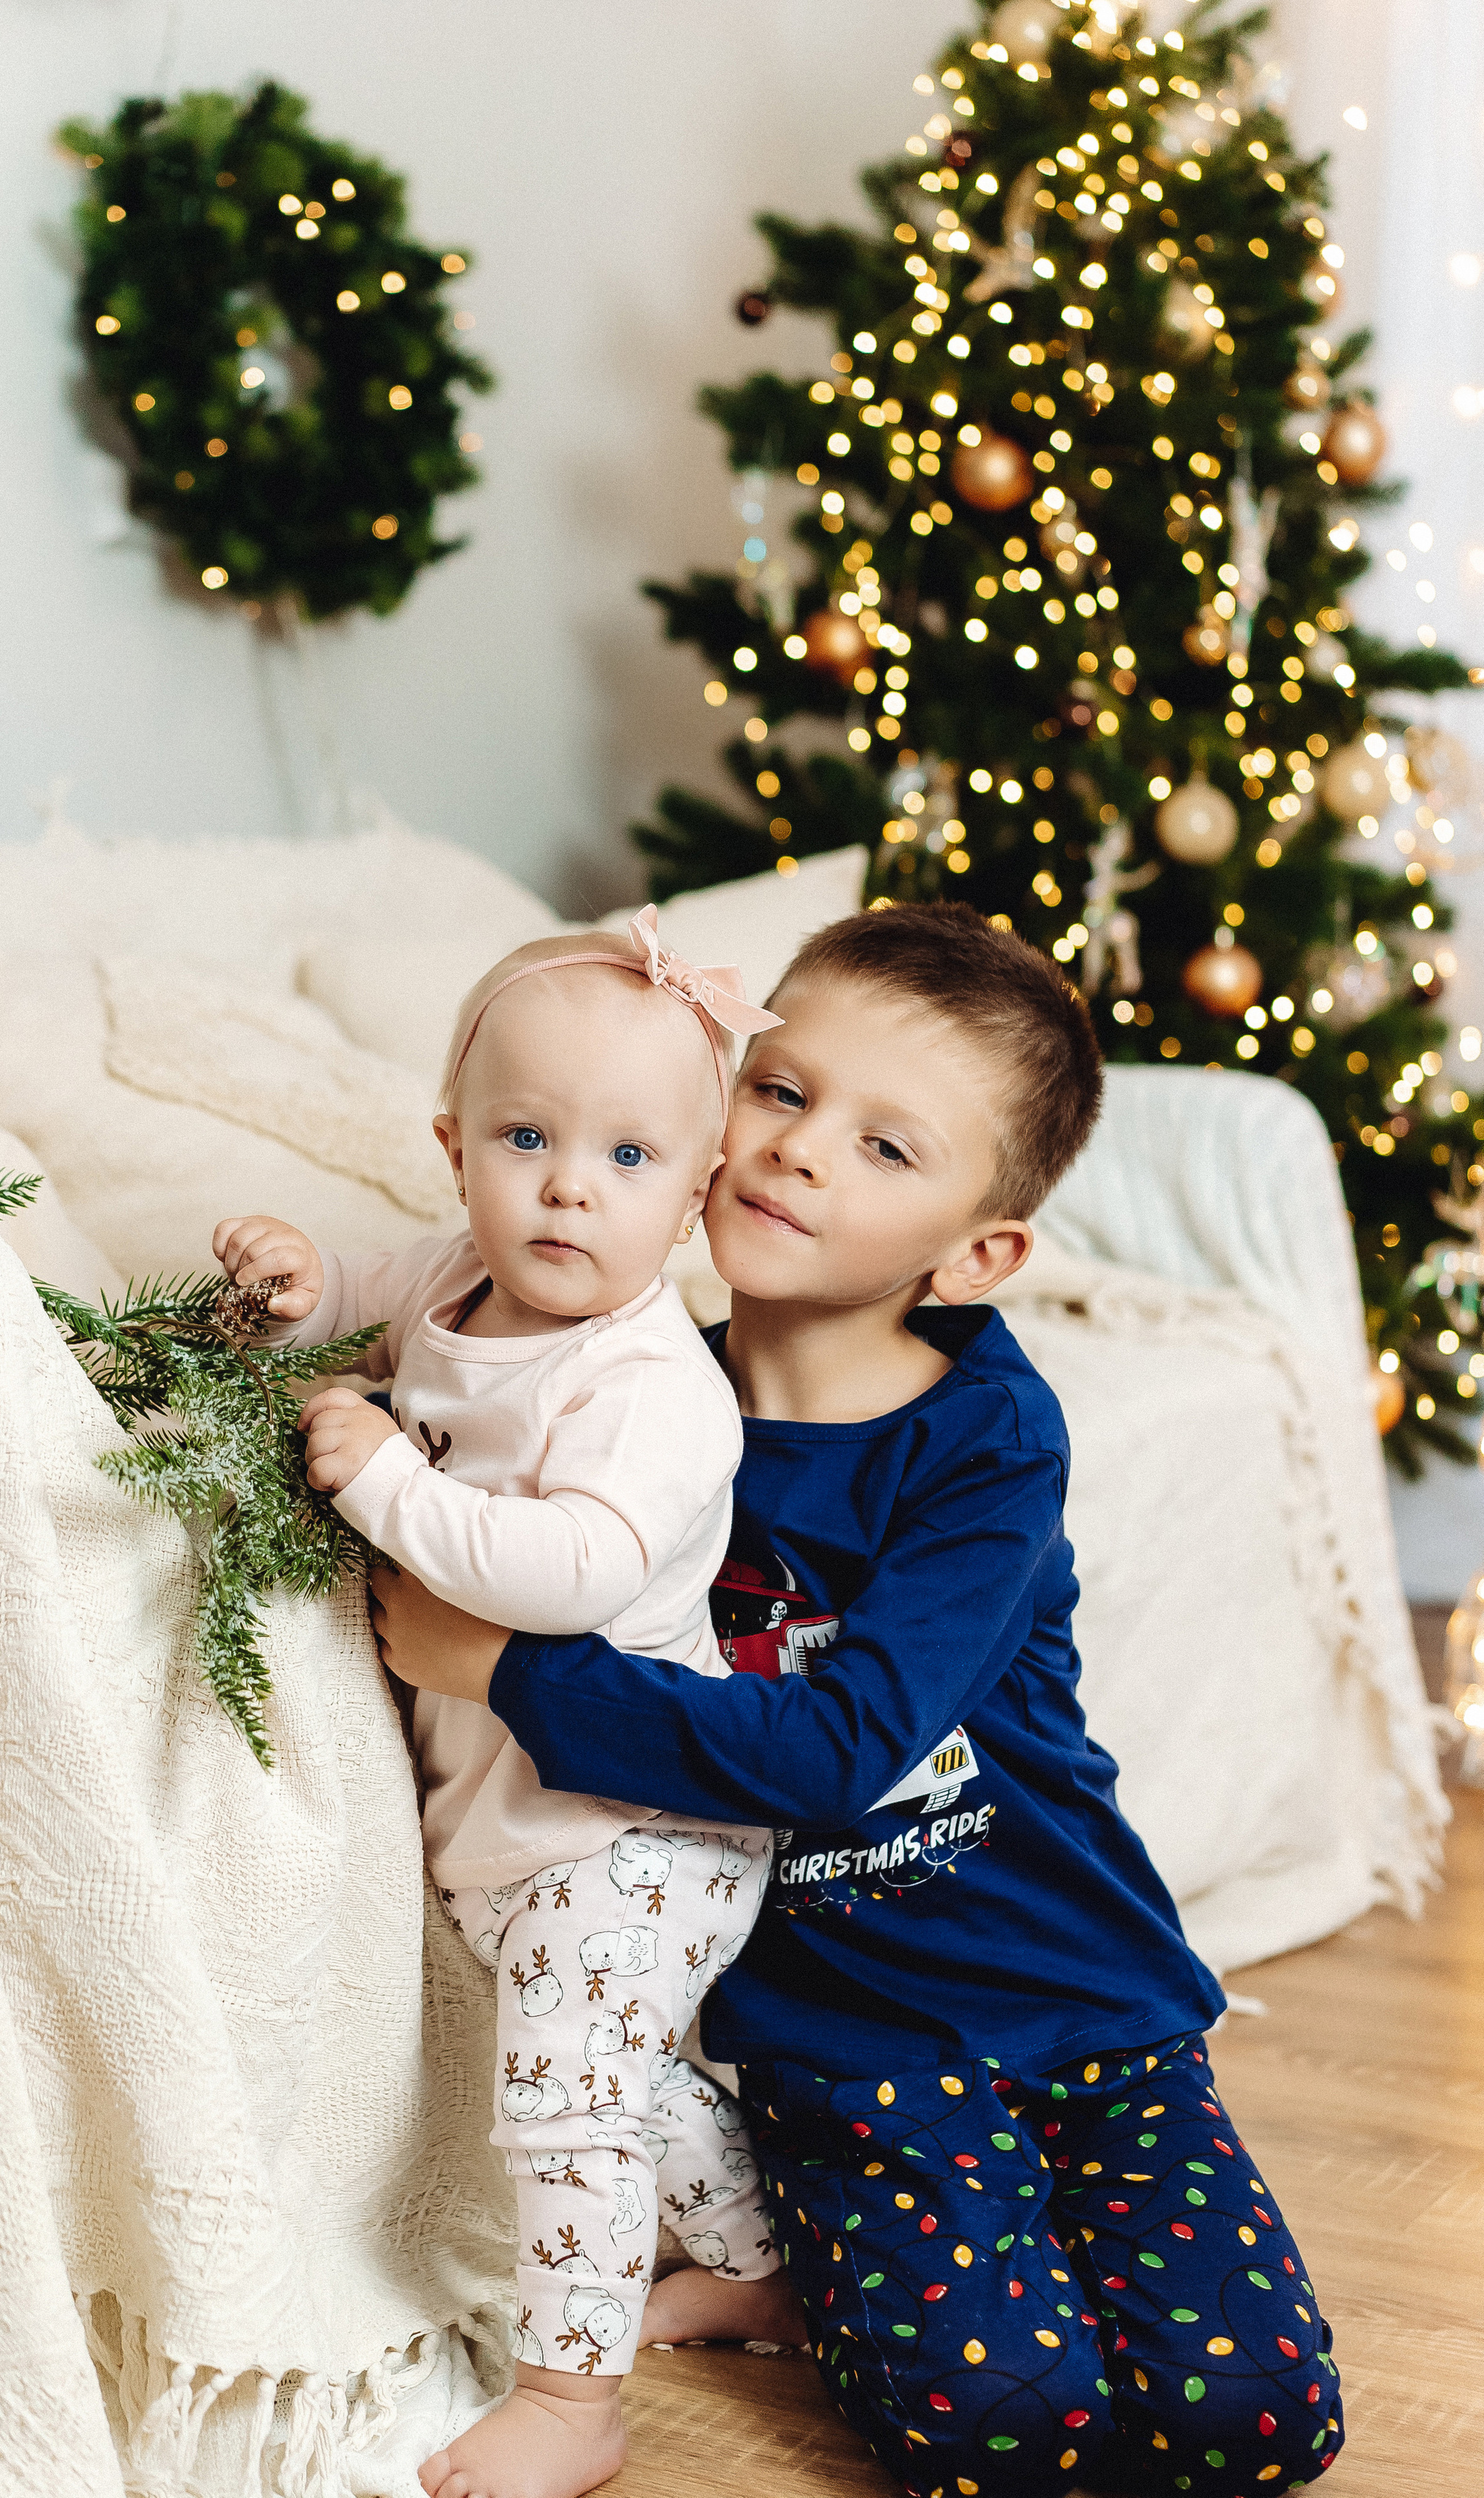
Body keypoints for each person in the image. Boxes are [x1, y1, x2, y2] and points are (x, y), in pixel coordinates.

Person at [374, 902, 1345, 2498]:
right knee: (1004, 2430)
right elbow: (442, 1378)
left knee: (1248, 2414)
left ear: (975, 1254)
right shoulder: (627, 1395)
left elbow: (834, 1754)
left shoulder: (987, 1441)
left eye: (884, 1148)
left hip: (1077, 1989)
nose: (798, 1152)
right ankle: (799, 2272)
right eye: (778, 1092)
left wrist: (503, 1668)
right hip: (848, 2045)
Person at [212, 910, 805, 2498]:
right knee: (622, 2084)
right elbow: (363, 1293)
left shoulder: (650, 1390)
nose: (567, 1188)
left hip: (638, 1824)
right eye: (526, 1138)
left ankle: (568, 2400)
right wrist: (301, 1285)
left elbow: (570, 1573)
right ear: (453, 1147)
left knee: (565, 2113)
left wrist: (388, 1484)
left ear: (693, 1198)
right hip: (512, 1825)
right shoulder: (458, 1280)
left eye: (627, 1157)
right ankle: (764, 2271)